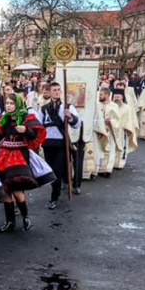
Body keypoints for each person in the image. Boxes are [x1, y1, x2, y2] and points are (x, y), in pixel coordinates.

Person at [0, 94, 46, 232]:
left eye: (11, 103)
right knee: (5, 189)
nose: (8, 105)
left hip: (19, 154)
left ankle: (25, 217)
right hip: (3, 155)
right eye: (6, 103)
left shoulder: (26, 117)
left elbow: (35, 135)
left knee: (17, 188)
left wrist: (26, 130)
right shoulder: (3, 118)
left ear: (17, 104)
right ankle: (10, 222)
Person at [38, 82, 81, 210]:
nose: (57, 92)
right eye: (54, 90)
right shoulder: (44, 109)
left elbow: (77, 124)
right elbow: (38, 125)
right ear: (49, 92)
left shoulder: (67, 107)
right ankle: (56, 187)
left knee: (57, 169)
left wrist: (71, 117)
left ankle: (54, 197)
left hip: (61, 143)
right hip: (48, 143)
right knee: (51, 170)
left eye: (58, 90)